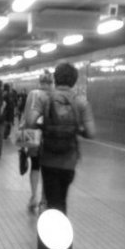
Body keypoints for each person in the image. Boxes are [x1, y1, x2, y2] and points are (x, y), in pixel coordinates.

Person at [26, 62, 95, 214]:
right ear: (74, 80)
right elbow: (91, 133)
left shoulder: (45, 99)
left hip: (48, 158)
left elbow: (30, 121)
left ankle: (47, 234)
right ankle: (61, 231)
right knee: (61, 199)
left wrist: (44, 126)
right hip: (69, 160)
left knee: (52, 200)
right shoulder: (81, 102)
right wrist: (76, 129)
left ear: (55, 79)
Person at [21, 72, 53, 212]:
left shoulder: (32, 94)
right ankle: (44, 201)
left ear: (39, 82)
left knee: (35, 165)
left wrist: (22, 138)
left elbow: (26, 116)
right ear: (51, 83)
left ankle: (33, 196)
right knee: (47, 168)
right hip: (48, 135)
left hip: (31, 133)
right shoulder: (53, 95)